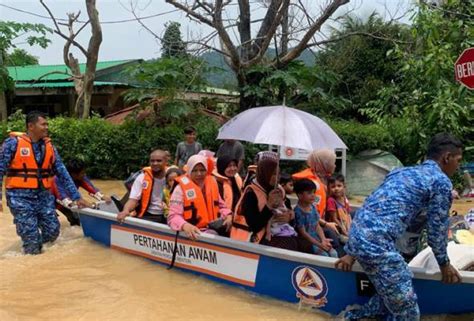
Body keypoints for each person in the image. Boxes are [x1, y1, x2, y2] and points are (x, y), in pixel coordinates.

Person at [335, 133, 463, 320]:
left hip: (359, 236)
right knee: (408, 313)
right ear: (447, 158)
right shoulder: (440, 181)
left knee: (392, 294)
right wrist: (444, 265)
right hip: (378, 246)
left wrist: (352, 251)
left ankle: (351, 317)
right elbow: (437, 229)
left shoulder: (400, 172)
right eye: (458, 160)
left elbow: (374, 207)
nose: (458, 166)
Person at [0, 111, 89, 254]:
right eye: (43, 124)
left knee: (53, 231)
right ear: (31, 126)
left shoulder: (49, 147)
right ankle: (31, 255)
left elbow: (62, 173)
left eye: (47, 124)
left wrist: (76, 197)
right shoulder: (12, 144)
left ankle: (39, 251)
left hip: (43, 196)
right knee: (32, 240)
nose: (47, 127)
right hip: (19, 197)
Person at [230, 151, 311, 253]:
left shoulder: (278, 190)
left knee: (306, 245)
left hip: (281, 231)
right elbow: (254, 225)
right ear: (265, 174)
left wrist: (289, 216)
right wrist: (269, 206)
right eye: (273, 174)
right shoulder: (251, 193)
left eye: (278, 173)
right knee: (288, 245)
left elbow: (289, 209)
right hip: (257, 237)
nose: (278, 177)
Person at [167, 154, 233, 240]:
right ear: (189, 170)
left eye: (202, 170)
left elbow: (221, 206)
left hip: (214, 231)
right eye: (195, 170)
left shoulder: (212, 184)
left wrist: (228, 215)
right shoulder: (179, 189)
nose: (199, 174)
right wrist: (184, 225)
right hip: (192, 234)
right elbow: (173, 216)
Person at [292, 149, 343, 254]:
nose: (335, 166)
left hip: (318, 224)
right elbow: (312, 214)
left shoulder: (322, 178)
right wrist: (327, 224)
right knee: (333, 235)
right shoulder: (314, 184)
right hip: (315, 227)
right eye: (333, 163)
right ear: (324, 164)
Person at [51, 159, 110, 226]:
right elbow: (63, 198)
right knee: (52, 225)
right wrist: (88, 205)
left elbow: (92, 189)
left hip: (64, 201)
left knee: (76, 219)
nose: (84, 175)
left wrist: (103, 197)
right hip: (49, 203)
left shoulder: (80, 178)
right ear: (74, 174)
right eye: (82, 173)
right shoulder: (57, 179)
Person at [117, 150, 168, 224]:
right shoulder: (141, 177)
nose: (155, 163)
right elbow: (133, 200)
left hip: (169, 215)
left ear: (166, 162)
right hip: (147, 215)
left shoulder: (172, 178)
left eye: (159, 161)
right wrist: (126, 210)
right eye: (152, 161)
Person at [294, 179, 338, 257]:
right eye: (309, 193)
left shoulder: (313, 207)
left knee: (334, 253)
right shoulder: (298, 212)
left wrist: (323, 239)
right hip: (308, 242)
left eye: (314, 192)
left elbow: (317, 225)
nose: (313, 195)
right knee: (324, 255)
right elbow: (303, 233)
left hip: (317, 238)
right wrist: (320, 245)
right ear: (300, 195)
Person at [326, 174, 351, 244]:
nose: (336, 188)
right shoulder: (331, 201)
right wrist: (345, 232)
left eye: (339, 186)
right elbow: (334, 219)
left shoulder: (344, 199)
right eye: (333, 187)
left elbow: (348, 215)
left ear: (344, 186)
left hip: (346, 227)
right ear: (329, 188)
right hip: (338, 231)